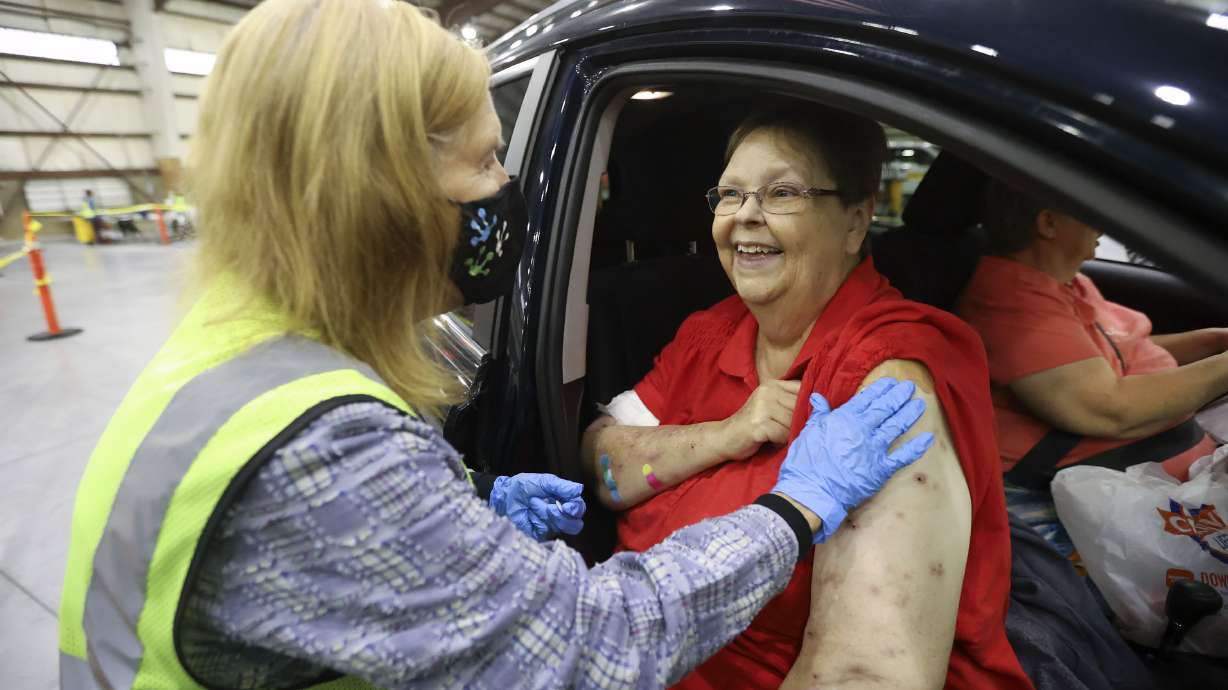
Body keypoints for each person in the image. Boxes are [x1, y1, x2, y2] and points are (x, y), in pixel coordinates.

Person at [55, 2, 935, 688]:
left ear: (857, 219)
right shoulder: (327, 448)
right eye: (484, 163)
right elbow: (592, 650)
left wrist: (466, 501)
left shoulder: (240, 346)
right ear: (380, 193)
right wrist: (795, 505)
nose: (511, 195)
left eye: (781, 194)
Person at [582, 106, 1031, 689]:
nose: (745, 217)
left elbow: (863, 674)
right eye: (730, 194)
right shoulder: (712, 331)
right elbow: (602, 460)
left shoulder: (886, 380)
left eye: (782, 193)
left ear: (855, 222)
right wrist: (726, 434)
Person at [955, 179, 1227, 549]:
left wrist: (1212, 342)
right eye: (1090, 210)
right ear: (1049, 224)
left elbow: (1113, 353)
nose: (1102, 222)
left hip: (1165, 476)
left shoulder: (1067, 283)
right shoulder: (1011, 300)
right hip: (1093, 494)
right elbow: (1106, 407)